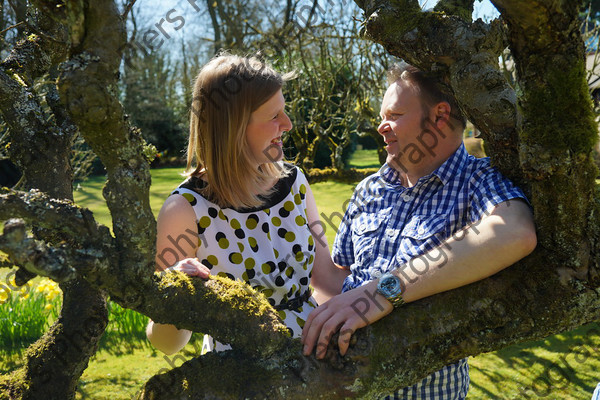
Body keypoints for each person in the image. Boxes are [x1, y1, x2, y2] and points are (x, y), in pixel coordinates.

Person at [301, 63, 537, 398]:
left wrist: (384, 292)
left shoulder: (477, 179)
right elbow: (338, 280)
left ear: (440, 116)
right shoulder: (369, 188)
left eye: (394, 114)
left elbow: (515, 232)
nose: (381, 127)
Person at [146, 53, 348, 355]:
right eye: (273, 116)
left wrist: (396, 282)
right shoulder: (184, 210)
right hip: (238, 377)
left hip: (311, 368)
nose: (288, 124)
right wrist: (177, 290)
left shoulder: (295, 183)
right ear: (234, 126)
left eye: (285, 111)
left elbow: (327, 279)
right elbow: (166, 345)